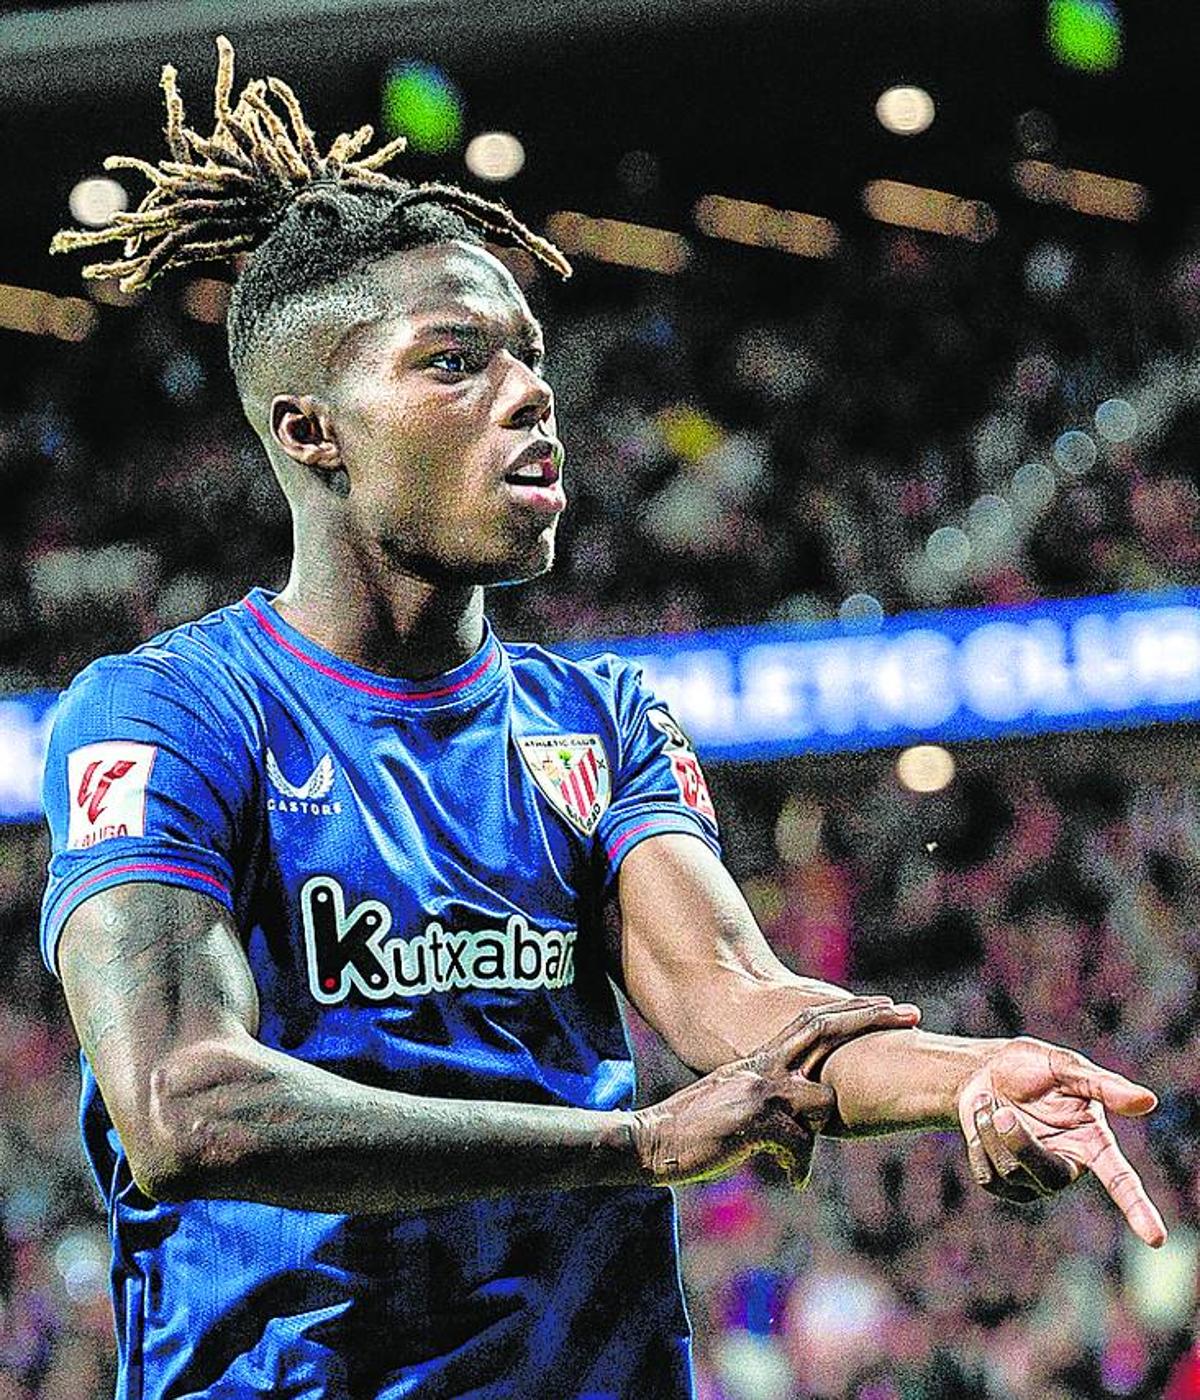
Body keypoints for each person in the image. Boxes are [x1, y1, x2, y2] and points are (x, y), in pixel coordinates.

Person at [42, 38, 1165, 1400]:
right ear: (311, 429)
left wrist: (970, 1075)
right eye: (453, 362)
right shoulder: (171, 715)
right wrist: (627, 1146)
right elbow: (183, 1109)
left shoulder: (598, 718)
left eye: (530, 359)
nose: (530, 398)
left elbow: (732, 1004)